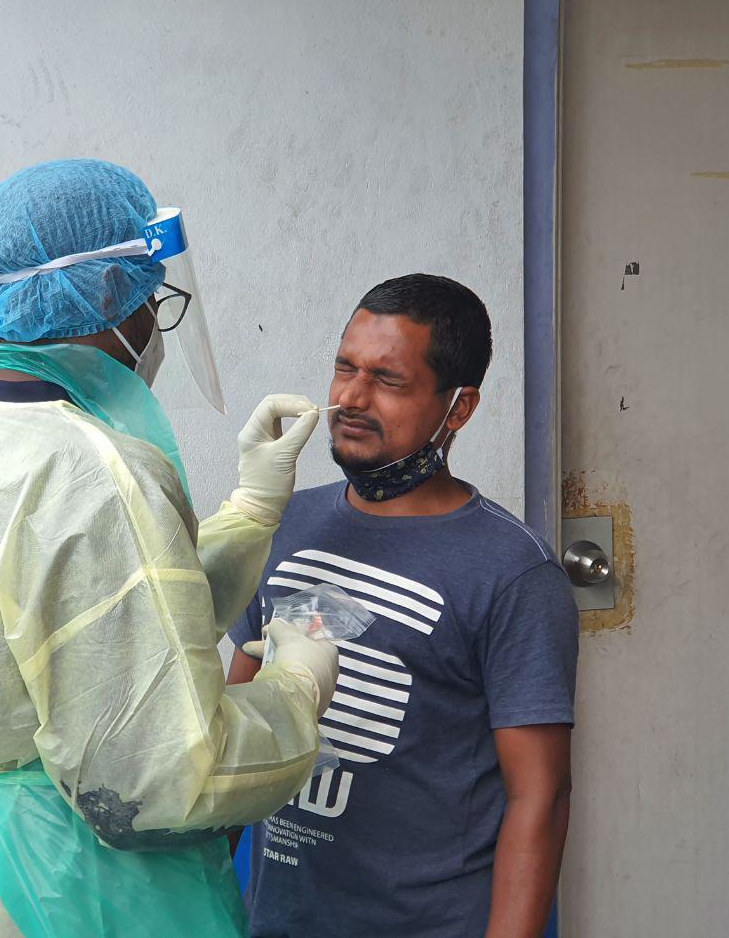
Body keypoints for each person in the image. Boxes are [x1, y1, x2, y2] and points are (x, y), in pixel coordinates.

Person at [0, 158, 341, 938]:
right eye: (150, 298)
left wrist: (250, 510)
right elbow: (160, 775)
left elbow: (107, 637)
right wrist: (294, 693)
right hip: (55, 888)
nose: (152, 322)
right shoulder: (91, 473)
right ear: (110, 297)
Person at [227, 274, 578, 938]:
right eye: (344, 369)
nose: (351, 398)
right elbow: (232, 732)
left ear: (460, 407)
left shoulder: (512, 572)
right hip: (277, 917)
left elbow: (541, 797)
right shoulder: (287, 526)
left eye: (389, 380)